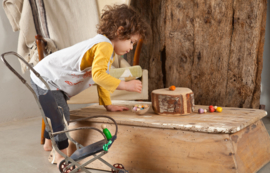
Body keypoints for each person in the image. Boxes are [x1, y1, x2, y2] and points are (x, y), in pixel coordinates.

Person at [30, 4, 149, 170]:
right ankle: (61, 157)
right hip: (46, 77)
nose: (131, 47)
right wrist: (125, 86)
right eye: (131, 42)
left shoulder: (106, 49)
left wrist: (108, 104)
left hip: (53, 80)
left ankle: (48, 145)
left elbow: (100, 78)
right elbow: (99, 76)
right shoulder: (104, 46)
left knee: (54, 111)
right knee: (61, 115)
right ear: (120, 32)